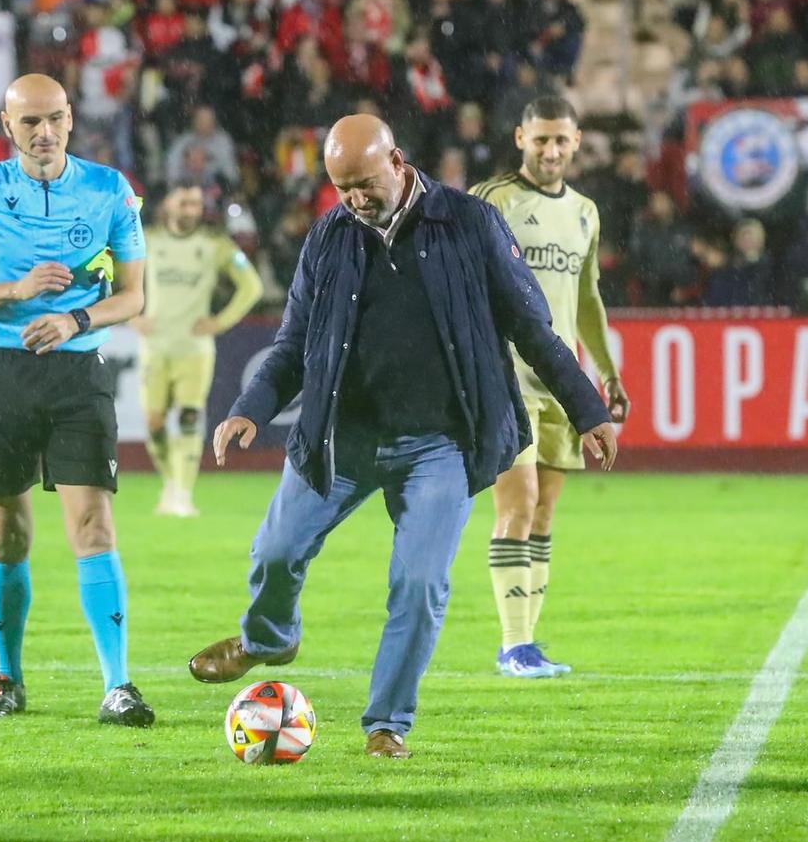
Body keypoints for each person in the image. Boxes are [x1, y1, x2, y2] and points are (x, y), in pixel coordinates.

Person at [190, 116, 617, 758]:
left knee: (419, 583)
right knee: (274, 552)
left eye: (364, 183)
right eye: (342, 188)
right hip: (342, 436)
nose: (355, 199)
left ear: (396, 160)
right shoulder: (328, 237)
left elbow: (533, 326)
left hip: (440, 443)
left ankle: (387, 723)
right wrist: (249, 406)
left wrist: (587, 408)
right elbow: (292, 345)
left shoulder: (470, 223)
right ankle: (270, 638)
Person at [0, 73, 152, 726]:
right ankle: (8, 676)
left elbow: (134, 296)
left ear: (72, 118)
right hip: (1, 368)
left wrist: (78, 320)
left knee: (94, 524)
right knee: (8, 533)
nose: (45, 132)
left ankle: (118, 684)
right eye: (30, 122)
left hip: (78, 372)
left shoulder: (110, 189)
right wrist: (15, 289)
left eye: (55, 118)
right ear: (7, 126)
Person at [470, 96, 628, 678]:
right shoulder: (493, 201)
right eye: (541, 140)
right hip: (505, 376)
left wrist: (607, 372)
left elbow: (588, 300)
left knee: (544, 513)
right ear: (519, 138)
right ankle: (513, 645)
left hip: (561, 379)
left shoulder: (585, 212)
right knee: (517, 504)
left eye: (561, 140)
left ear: (578, 141)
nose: (551, 150)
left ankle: (528, 642)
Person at [135, 182, 264, 517]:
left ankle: (182, 492)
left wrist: (220, 322)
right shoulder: (147, 239)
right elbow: (111, 273)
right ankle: (171, 482)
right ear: (167, 205)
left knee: (190, 416)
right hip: (155, 346)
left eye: (195, 204)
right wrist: (132, 314)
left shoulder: (215, 245)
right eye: (184, 203)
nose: (191, 210)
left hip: (194, 349)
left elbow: (252, 286)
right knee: (154, 423)